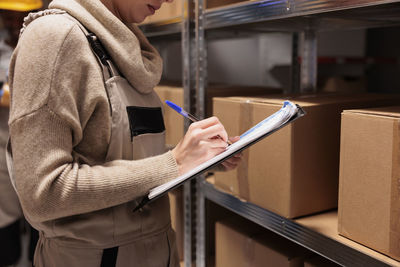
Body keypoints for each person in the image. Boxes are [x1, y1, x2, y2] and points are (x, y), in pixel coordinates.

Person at [7, 0, 241, 266]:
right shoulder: (54, 38)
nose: (171, 1)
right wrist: (172, 163)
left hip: (156, 250)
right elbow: (44, 193)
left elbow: (121, 158)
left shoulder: (122, 45)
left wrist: (198, 159)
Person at [0, 1, 42, 266]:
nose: (15, 24)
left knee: (41, 218)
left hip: (40, 146)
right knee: (6, 218)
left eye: (20, 17)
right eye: (9, 18)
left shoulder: (43, 44)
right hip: (4, 141)